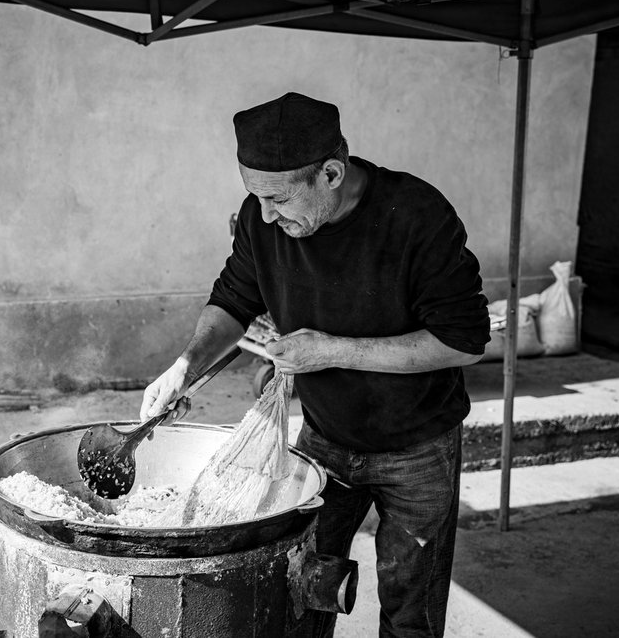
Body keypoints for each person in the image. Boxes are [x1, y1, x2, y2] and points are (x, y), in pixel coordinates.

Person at [140, 92, 489, 636]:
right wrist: (185, 365)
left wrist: (331, 350)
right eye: (253, 196)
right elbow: (234, 299)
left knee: (410, 608)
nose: (265, 214)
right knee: (296, 592)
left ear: (331, 172)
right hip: (324, 438)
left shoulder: (417, 216)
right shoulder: (263, 221)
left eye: (277, 198)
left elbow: (464, 340)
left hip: (417, 445)